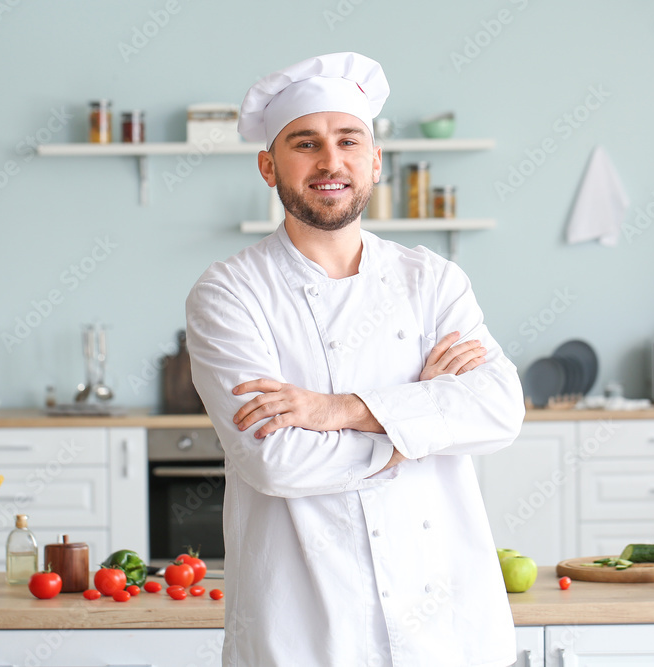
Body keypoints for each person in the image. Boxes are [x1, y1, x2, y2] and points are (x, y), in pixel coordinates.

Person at [185, 52, 525, 667]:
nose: (330, 162)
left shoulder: (433, 280)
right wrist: (419, 425)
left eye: (349, 141)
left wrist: (335, 410)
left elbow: (499, 410)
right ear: (268, 166)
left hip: (443, 625)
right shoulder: (230, 292)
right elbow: (278, 461)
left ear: (374, 161)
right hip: (306, 627)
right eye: (305, 144)